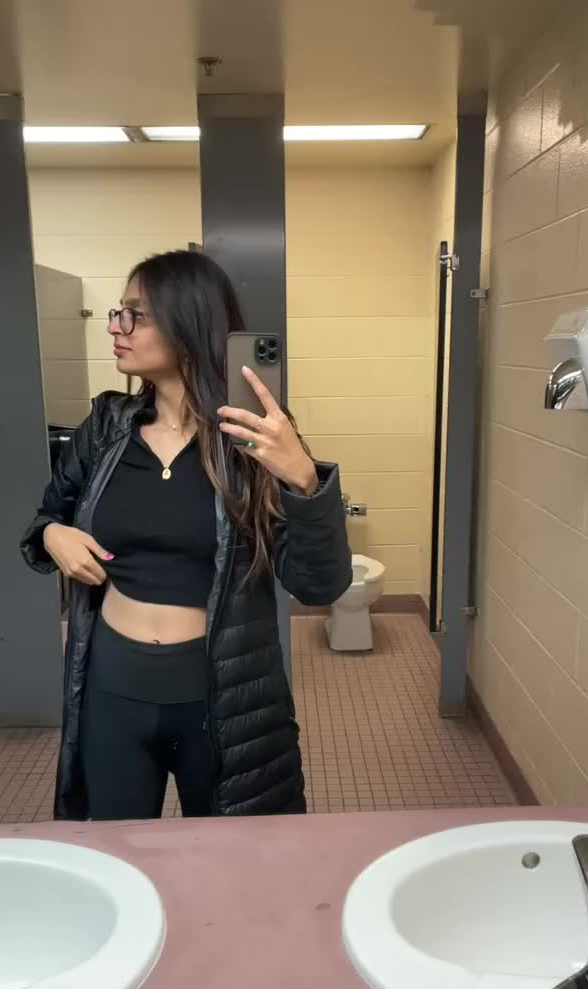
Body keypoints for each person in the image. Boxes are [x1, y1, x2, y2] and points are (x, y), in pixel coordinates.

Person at [21, 249, 352, 822]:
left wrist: (303, 479)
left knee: (235, 860)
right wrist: (54, 534)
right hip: (112, 687)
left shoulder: (254, 439)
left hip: (223, 699)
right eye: (117, 312)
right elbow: (47, 517)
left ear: (188, 325)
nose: (116, 327)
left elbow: (318, 585)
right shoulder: (106, 427)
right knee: (120, 853)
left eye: (134, 314)